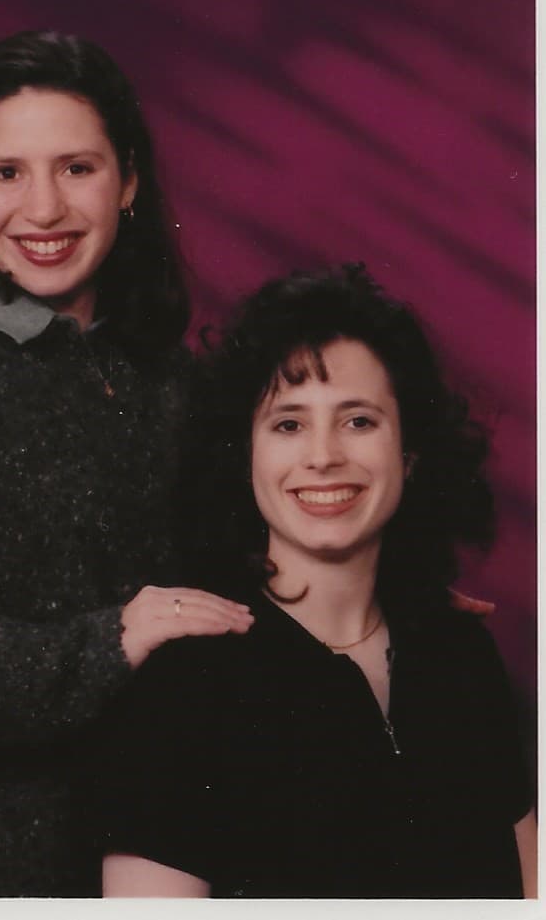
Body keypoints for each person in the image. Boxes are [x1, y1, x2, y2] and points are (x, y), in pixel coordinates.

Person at [0, 30, 254, 897]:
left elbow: (225, 573)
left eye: (77, 168)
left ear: (128, 181)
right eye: (6, 172)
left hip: (138, 858)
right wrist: (104, 643)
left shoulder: (164, 378)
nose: (44, 208)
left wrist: (371, 591)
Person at [97, 264, 537, 898]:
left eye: (359, 421)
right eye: (289, 424)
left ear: (409, 453)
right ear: (243, 456)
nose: (324, 456)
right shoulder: (184, 685)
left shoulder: (461, 653)